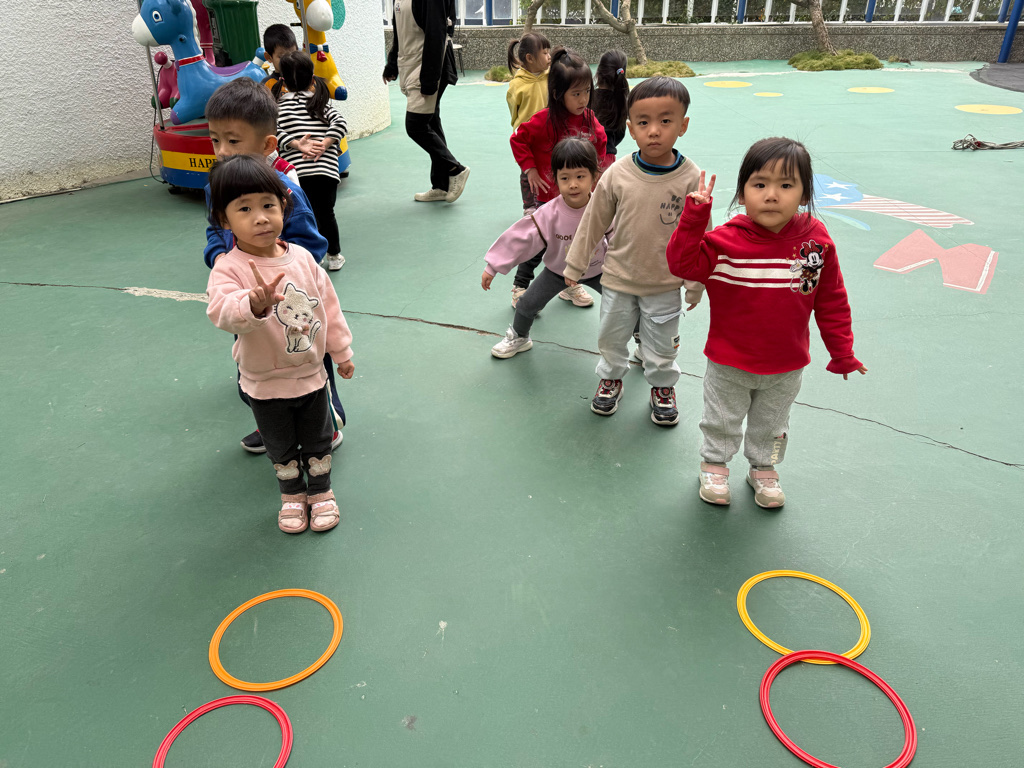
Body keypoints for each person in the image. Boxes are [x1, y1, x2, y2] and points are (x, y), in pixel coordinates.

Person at [666, 137, 867, 509]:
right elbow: (682, 264)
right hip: (729, 362)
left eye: (786, 185)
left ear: (805, 194)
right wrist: (694, 217)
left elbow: (831, 299)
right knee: (721, 420)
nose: (772, 195)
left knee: (773, 424)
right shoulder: (724, 242)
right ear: (742, 193)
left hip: (786, 365)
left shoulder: (816, 243)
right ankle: (714, 464)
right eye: (759, 184)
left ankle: (764, 468)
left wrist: (842, 352)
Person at [206, 155, 354, 533]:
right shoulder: (229, 268)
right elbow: (221, 312)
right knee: (280, 445)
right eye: (245, 209)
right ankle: (292, 495)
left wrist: (341, 352)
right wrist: (252, 304)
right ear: (224, 220)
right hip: (264, 383)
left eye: (268, 205)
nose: (260, 218)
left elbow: (329, 308)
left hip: (310, 375)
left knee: (318, 440)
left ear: (283, 207)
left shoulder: (302, 258)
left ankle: (320, 491)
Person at [203, 78, 347, 455]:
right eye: (215, 140)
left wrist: (280, 265)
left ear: (267, 145)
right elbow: (216, 230)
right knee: (256, 362)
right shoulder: (218, 186)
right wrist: (221, 261)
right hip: (249, 299)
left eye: (233, 141)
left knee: (306, 355)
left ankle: (326, 419)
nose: (222, 151)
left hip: (291, 302)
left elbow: (312, 244)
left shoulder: (284, 192)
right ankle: (272, 422)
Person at [563, 76, 704, 428]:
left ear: (683, 125)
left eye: (665, 120)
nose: (654, 131)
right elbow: (593, 222)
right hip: (618, 278)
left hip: (664, 283)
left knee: (662, 343)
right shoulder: (618, 174)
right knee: (611, 336)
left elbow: (698, 235)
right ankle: (611, 377)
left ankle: (662, 385)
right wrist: (575, 264)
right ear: (630, 128)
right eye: (643, 122)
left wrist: (695, 282)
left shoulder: (690, 178)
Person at [482, 139, 607, 358]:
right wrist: (493, 266)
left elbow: (621, 237)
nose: (573, 184)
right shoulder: (549, 213)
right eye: (565, 178)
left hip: (600, 270)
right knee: (526, 304)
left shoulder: (604, 207)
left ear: (594, 176)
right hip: (558, 271)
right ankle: (520, 337)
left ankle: (644, 342)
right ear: (555, 180)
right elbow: (521, 238)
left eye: (580, 176)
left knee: (627, 305)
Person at [510, 47, 607, 310]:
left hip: (578, 199)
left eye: (587, 91)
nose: (583, 99)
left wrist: (596, 173)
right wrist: (530, 169)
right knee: (540, 242)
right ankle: (520, 285)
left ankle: (570, 284)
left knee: (576, 240)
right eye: (576, 93)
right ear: (556, 94)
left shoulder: (589, 119)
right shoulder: (543, 120)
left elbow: (601, 143)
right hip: (548, 197)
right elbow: (518, 139)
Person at [382, 0, 471, 204]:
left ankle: (455, 169)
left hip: (430, 67)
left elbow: (436, 34)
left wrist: (429, 81)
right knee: (431, 122)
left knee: (416, 125)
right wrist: (392, 64)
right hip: (412, 64)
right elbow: (399, 32)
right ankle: (441, 185)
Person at [274, 51, 347, 272]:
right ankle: (334, 255)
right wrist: (324, 144)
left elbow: (273, 132)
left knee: (303, 216)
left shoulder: (279, 108)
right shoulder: (321, 103)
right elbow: (340, 124)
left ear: (283, 81)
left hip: (296, 175)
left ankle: (311, 257)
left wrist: (296, 144)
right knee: (326, 213)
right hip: (326, 172)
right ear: (313, 79)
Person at [506, 32, 552, 214]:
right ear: (530, 58)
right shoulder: (517, 85)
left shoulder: (551, 77)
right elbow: (514, 109)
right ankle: (529, 206)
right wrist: (521, 126)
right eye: (545, 53)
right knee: (527, 172)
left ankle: (549, 201)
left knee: (550, 168)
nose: (549, 57)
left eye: (549, 52)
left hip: (549, 134)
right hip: (528, 138)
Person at [592, 50, 629, 171]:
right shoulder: (622, 101)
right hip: (608, 157)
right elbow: (620, 133)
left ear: (599, 72)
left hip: (584, 154)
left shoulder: (586, 98)